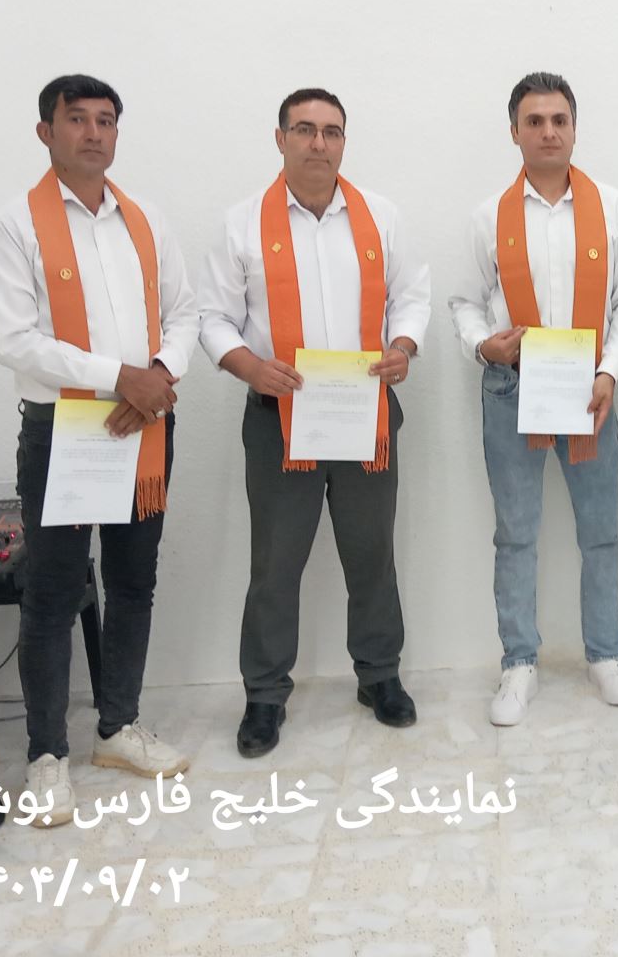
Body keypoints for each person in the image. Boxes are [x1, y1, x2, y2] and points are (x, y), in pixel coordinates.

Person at [0, 74, 198, 825]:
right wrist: (119, 377)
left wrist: (158, 374)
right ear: (46, 131)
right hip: (64, 430)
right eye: (77, 119)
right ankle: (47, 756)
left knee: (134, 582)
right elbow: (15, 340)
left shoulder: (145, 220)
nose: (94, 133)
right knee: (53, 592)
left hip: (146, 422)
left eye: (106, 120)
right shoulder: (13, 224)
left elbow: (184, 311)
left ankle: (117, 727)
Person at [200, 88, 430, 757]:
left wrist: (403, 346)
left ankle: (379, 676)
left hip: (366, 412)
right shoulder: (242, 224)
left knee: (371, 552)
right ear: (280, 139)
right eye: (304, 129)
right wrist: (250, 366)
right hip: (279, 417)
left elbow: (411, 296)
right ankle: (265, 695)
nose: (318, 143)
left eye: (331, 131)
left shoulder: (380, 217)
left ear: (344, 142)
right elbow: (212, 318)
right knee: (275, 562)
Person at [449, 72, 618, 726]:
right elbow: (464, 302)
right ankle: (519, 663)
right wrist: (484, 345)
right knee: (516, 534)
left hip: (591, 390)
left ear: (574, 128)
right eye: (534, 121)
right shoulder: (488, 217)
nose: (548, 131)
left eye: (559, 119)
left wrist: (610, 370)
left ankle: (606, 655)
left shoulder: (612, 208)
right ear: (515, 132)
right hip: (514, 388)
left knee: (601, 532)